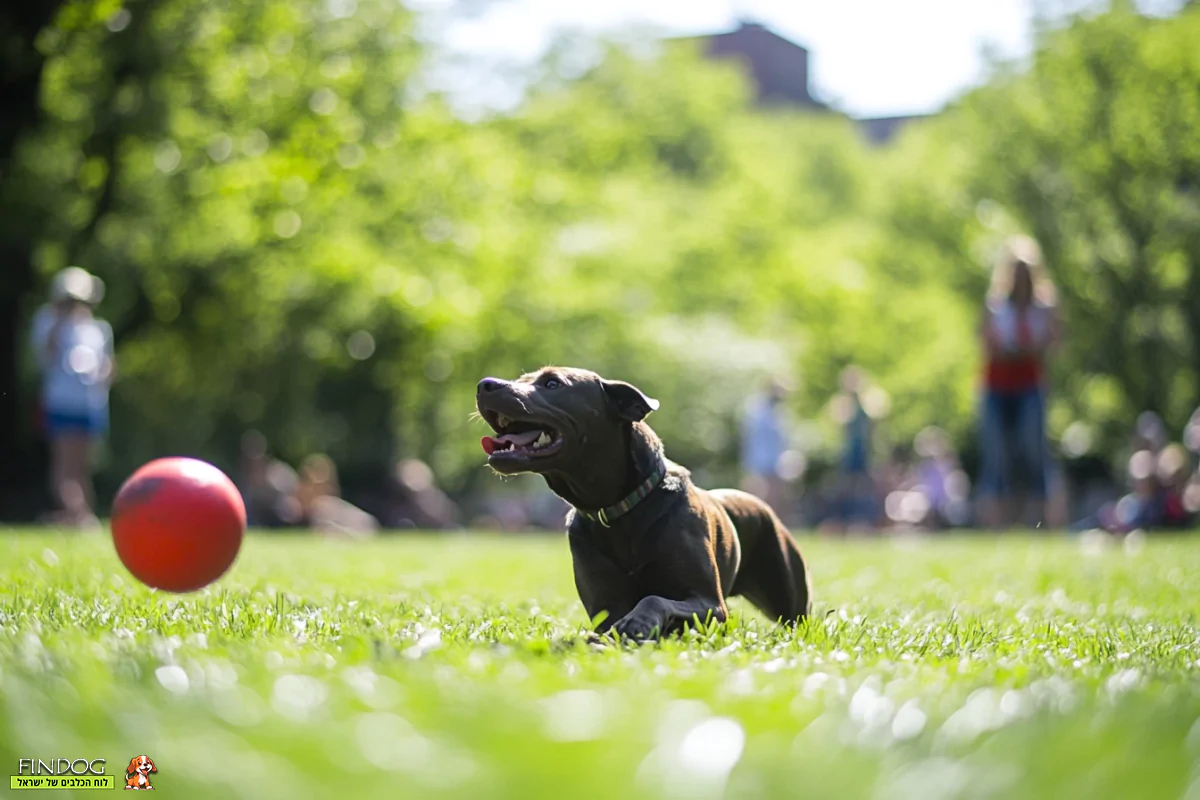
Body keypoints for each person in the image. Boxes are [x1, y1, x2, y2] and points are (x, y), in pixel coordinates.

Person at [976, 237, 1062, 529]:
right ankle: (997, 522)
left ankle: (1042, 520)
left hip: (1030, 386)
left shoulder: (1044, 306)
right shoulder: (995, 306)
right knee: (996, 454)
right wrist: (1022, 350)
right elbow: (988, 345)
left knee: (1034, 450)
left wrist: (1021, 350)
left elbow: (1051, 343)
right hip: (996, 386)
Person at [29, 267, 115, 530]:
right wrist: (60, 320)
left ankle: (73, 516)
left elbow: (108, 366)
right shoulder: (46, 320)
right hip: (60, 402)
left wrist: (103, 372)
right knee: (64, 463)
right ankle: (79, 514)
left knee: (82, 466)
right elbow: (46, 355)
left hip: (91, 404)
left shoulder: (98, 328)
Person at [739, 379, 790, 515]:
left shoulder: (778, 412)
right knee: (758, 492)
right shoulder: (757, 409)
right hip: (759, 458)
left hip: (774, 459)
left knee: (774, 494)